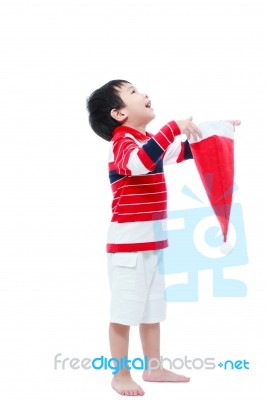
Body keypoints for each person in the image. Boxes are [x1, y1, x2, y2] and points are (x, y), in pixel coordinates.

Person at [86, 80, 240, 396]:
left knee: (152, 310)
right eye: (133, 93)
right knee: (124, 314)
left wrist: (216, 131)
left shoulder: (146, 140)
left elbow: (184, 150)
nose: (144, 94)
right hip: (128, 250)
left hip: (152, 246)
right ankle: (120, 374)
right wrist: (172, 127)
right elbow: (139, 164)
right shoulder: (123, 142)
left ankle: (153, 367)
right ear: (118, 114)